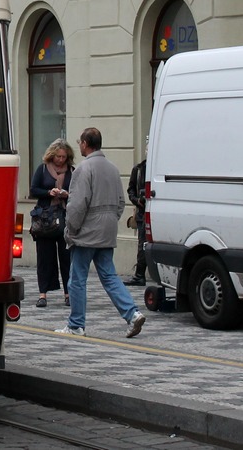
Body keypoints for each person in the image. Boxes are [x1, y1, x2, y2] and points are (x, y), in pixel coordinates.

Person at [56, 127, 147, 338]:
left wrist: (71, 229)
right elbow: (121, 202)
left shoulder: (83, 169)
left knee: (76, 279)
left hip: (86, 234)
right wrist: (110, 220)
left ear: (85, 144)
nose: (79, 146)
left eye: (80, 142)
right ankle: (132, 314)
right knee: (109, 276)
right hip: (107, 231)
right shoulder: (113, 168)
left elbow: (77, 205)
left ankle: (76, 324)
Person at [29, 138, 74, 307]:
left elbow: (77, 192)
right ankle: (43, 294)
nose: (60, 160)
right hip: (45, 219)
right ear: (51, 155)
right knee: (44, 257)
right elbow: (33, 190)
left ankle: (68, 294)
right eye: (57, 156)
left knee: (66, 257)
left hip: (65, 218)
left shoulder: (72, 171)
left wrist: (66, 194)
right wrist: (49, 192)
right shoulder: (42, 169)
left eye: (63, 157)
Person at [124, 138, 149, 286]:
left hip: (155, 212)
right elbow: (131, 190)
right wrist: (137, 200)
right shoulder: (139, 169)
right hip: (142, 213)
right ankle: (140, 274)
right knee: (142, 243)